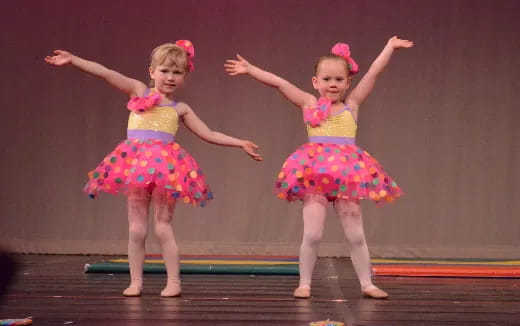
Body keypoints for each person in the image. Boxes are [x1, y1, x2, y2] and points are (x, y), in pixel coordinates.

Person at [45, 40, 262, 297]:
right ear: (152, 72)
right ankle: (135, 282)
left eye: (177, 72)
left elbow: (209, 133)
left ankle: (174, 282)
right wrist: (74, 60)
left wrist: (239, 143)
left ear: (185, 76)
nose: (170, 77)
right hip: (135, 165)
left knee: (162, 227)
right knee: (136, 229)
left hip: (167, 170)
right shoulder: (138, 91)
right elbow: (105, 73)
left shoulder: (180, 108)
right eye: (165, 71)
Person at [225, 36, 412, 299]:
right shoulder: (308, 103)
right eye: (326, 79)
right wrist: (251, 69)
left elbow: (373, 72)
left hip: (347, 176)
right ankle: (305, 283)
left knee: (356, 234)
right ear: (315, 82)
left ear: (348, 82)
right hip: (315, 176)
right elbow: (279, 83)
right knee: (312, 233)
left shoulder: (352, 105)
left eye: (338, 79)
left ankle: (367, 284)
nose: (332, 84)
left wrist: (389, 47)